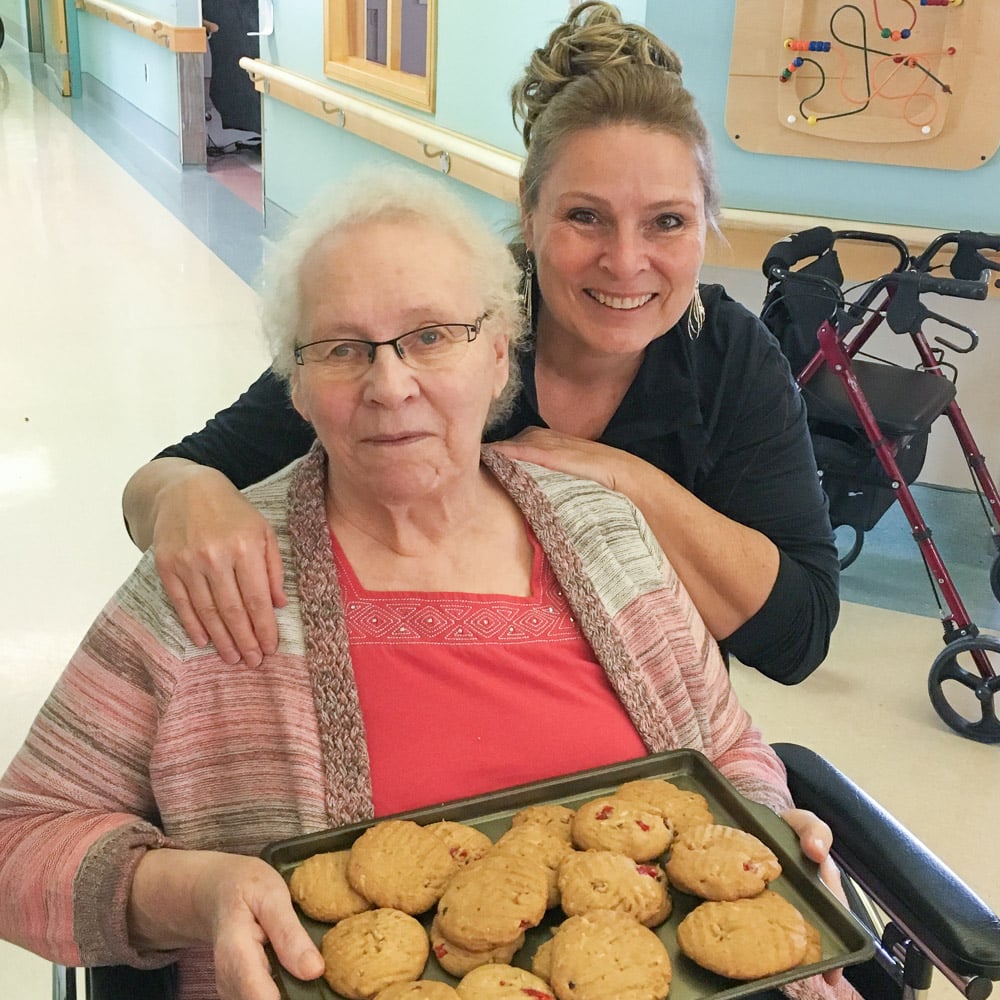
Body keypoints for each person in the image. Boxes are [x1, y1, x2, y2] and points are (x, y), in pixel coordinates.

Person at [0, 168, 850, 1000]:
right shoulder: (211, 576)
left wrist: (761, 831)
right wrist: (201, 892)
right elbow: (19, 844)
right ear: (295, 387)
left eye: (432, 336)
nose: (390, 384)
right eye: (340, 349)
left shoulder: (602, 531)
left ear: (496, 353)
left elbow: (726, 749)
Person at [121, 1, 838, 683]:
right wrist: (189, 495)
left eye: (668, 222)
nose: (625, 262)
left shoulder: (730, 361)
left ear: (706, 223)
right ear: (528, 217)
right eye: (585, 217)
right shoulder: (435, 334)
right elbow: (163, 482)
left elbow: (798, 636)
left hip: (647, 731)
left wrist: (624, 484)